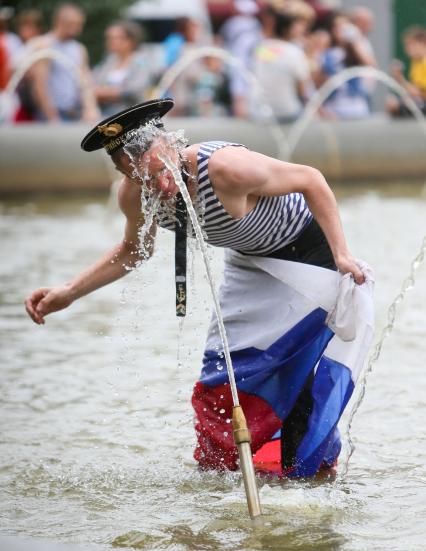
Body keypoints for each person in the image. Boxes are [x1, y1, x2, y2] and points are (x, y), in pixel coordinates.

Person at [25, 98, 374, 478]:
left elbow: (312, 180)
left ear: (173, 147)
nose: (159, 185)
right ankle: (221, 478)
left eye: (161, 170)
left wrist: (342, 254)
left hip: (308, 257)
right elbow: (133, 251)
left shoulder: (225, 167)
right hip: (248, 261)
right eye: (143, 179)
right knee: (220, 380)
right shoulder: (135, 196)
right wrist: (69, 292)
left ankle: (308, 474)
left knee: (293, 372)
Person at [27, 2, 99, 122]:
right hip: (50, 113)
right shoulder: (44, 45)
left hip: (73, 112)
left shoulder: (79, 49)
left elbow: (85, 82)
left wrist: (90, 109)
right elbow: (39, 85)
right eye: (73, 24)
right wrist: (52, 117)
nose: (78, 29)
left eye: (79, 24)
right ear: (59, 22)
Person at [253, 7, 312, 123]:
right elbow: (304, 89)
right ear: (287, 29)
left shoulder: (262, 48)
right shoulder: (294, 51)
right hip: (287, 112)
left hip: (260, 111)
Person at [93, 20, 152, 117]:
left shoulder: (141, 61)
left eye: (117, 38)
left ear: (131, 40)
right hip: (106, 116)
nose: (111, 41)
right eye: (109, 38)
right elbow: (94, 85)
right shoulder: (108, 61)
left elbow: (137, 89)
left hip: (132, 115)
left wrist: (107, 93)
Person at [387, 26, 426, 118]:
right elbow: (415, 91)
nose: (407, 49)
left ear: (423, 42)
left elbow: (419, 93)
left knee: (395, 105)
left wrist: (399, 78)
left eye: (410, 44)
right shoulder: (416, 62)